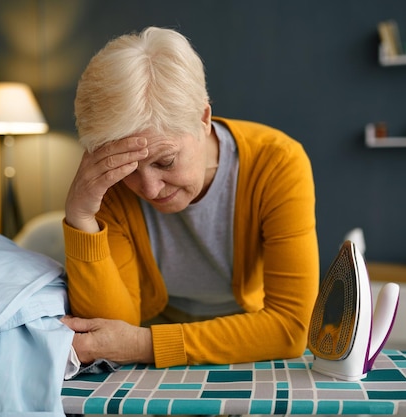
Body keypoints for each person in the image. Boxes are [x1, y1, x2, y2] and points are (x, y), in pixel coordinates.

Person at [60, 26, 319, 369]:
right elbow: (109, 334)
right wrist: (80, 217)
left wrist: (143, 344)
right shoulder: (109, 183)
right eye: (129, 170)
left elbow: (290, 328)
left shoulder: (278, 162)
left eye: (165, 162)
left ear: (203, 119)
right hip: (150, 359)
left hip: (247, 348)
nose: (149, 189)